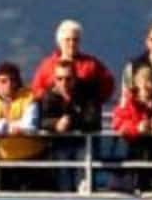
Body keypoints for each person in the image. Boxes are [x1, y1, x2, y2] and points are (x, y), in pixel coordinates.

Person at [35, 47, 109, 191]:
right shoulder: (48, 97)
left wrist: (70, 122)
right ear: (54, 79)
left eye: (68, 79)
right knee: (62, 171)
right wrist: (56, 124)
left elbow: (93, 120)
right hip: (60, 145)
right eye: (59, 79)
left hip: (84, 144)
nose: (64, 83)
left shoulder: (89, 93)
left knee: (84, 172)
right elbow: (41, 120)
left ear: (75, 77)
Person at [0, 61, 46, 190]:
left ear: (18, 81)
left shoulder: (29, 97)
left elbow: (29, 124)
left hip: (29, 159)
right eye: (3, 81)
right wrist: (5, 126)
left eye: (12, 80)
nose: (8, 85)